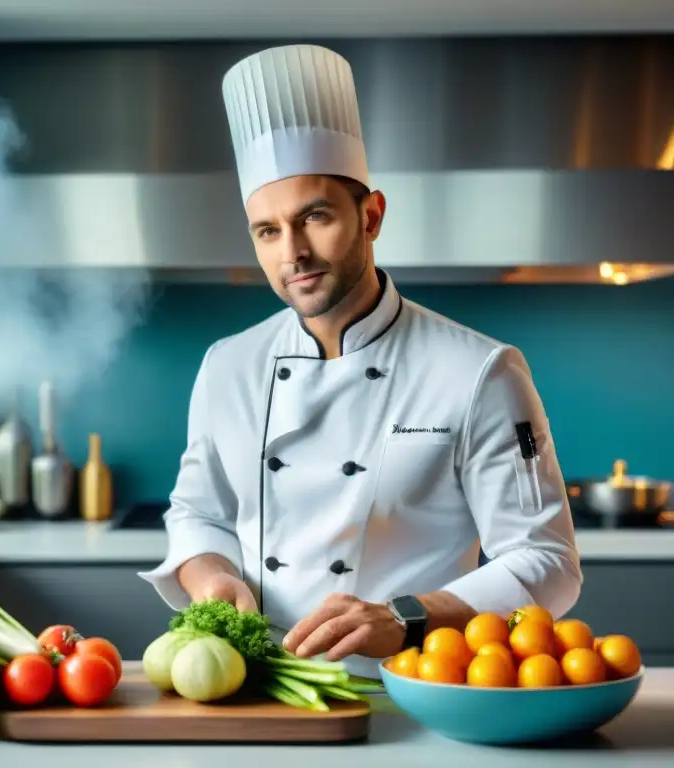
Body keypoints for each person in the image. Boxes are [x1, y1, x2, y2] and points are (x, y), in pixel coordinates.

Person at [138, 44, 582, 679]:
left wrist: (406, 617)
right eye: (267, 230)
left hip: (417, 689)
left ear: (370, 216)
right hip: (260, 687)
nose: (292, 251)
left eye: (314, 217)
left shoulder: (480, 370)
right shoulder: (227, 366)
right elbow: (197, 513)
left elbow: (547, 561)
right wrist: (209, 576)